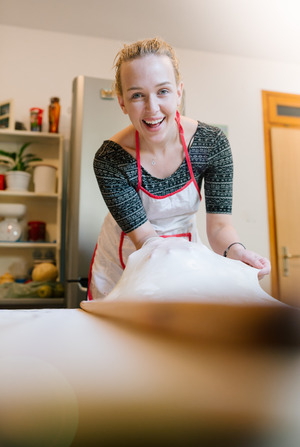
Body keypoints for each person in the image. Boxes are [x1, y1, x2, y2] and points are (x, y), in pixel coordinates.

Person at [88, 37, 270, 300]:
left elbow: (219, 228)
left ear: (179, 91)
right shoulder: (111, 159)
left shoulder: (211, 144)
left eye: (163, 91)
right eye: (137, 95)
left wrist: (236, 251)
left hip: (184, 254)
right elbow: (147, 242)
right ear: (122, 102)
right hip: (126, 260)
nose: (152, 109)